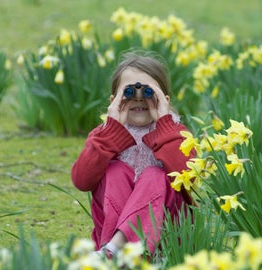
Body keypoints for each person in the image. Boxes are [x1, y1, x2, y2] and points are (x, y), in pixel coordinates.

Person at [71, 50, 195, 258]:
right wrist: (112, 129)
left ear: (164, 99)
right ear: (114, 100)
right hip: (110, 230)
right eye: (128, 92)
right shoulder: (103, 135)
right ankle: (115, 252)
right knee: (115, 171)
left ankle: (115, 251)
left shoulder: (176, 133)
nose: (139, 98)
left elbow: (188, 178)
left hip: (166, 237)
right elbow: (82, 180)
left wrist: (163, 123)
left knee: (154, 175)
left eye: (148, 93)